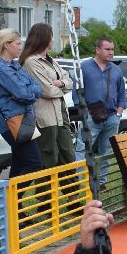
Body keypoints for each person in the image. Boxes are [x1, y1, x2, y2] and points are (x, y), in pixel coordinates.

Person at [0, 27, 45, 177]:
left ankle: (12, 193)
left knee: (19, 164)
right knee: (34, 164)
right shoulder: (0, 68)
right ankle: (15, 192)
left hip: (23, 119)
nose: (20, 47)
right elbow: (25, 94)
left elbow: (37, 87)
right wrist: (27, 92)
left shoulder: (14, 65)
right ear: (6, 45)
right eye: (18, 43)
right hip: (14, 123)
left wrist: (27, 92)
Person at [20, 22, 77, 169]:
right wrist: (61, 86)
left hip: (60, 114)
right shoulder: (31, 62)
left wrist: (60, 83)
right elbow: (47, 91)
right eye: (51, 37)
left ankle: (70, 185)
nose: (53, 40)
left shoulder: (50, 60)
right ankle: (48, 186)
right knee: (49, 158)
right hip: (45, 118)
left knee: (67, 154)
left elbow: (69, 81)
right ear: (44, 39)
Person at [79, 36, 127, 192]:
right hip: (91, 116)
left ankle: (102, 182)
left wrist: (118, 114)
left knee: (107, 150)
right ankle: (78, 181)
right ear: (98, 49)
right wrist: (85, 112)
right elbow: (77, 92)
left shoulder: (116, 70)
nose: (111, 52)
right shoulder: (84, 67)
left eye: (112, 49)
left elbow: (122, 94)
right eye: (107, 49)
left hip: (112, 116)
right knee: (82, 148)